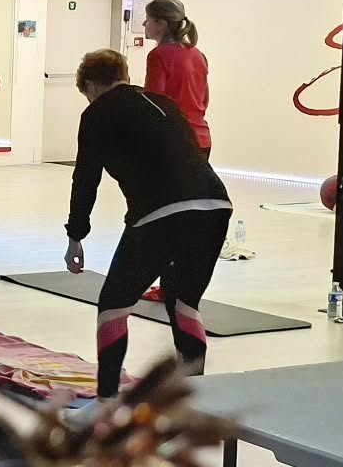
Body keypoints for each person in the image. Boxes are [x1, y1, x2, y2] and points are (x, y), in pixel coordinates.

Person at [64, 48, 231, 407]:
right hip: (215, 205)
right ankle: (192, 396)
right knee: (184, 301)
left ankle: (107, 400)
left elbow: (86, 178)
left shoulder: (97, 113)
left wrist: (76, 234)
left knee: (113, 305)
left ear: (91, 85)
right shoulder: (165, 103)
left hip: (160, 212)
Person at [142, 0, 210, 156]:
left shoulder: (158, 55)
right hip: (201, 138)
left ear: (161, 23)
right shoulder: (197, 54)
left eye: (148, 19)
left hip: (172, 140)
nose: (144, 24)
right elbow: (204, 100)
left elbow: (154, 102)